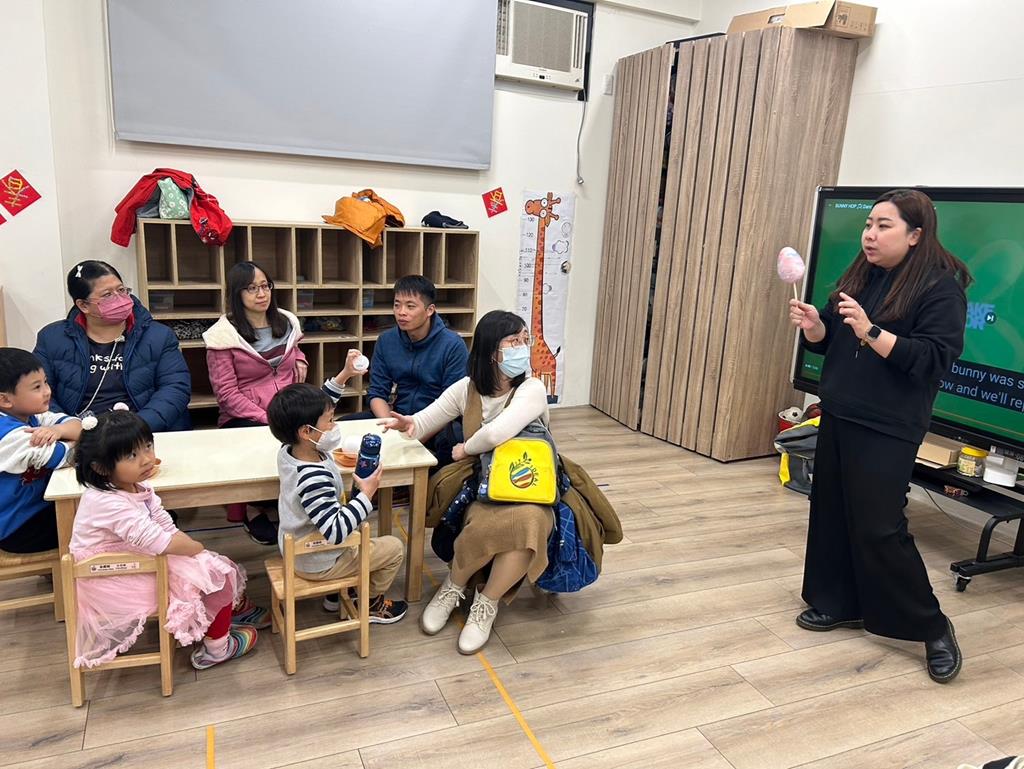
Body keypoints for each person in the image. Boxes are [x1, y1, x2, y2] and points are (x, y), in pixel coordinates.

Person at [788, 188, 972, 684]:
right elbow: (833, 339)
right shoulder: (862, 275)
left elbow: (931, 360)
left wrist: (871, 332)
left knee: (880, 528)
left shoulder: (941, 289)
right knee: (831, 512)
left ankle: (932, 626)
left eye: (883, 226)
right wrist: (816, 327)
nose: (869, 235)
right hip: (841, 412)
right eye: (868, 225)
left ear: (915, 235)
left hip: (888, 424)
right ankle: (838, 602)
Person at [381, 310, 552, 654]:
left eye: (525, 340)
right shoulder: (467, 388)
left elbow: (496, 433)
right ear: (491, 351)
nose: (523, 347)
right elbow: (426, 419)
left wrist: (464, 449)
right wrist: (409, 423)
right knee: (484, 521)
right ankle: (454, 586)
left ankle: (486, 604)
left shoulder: (532, 388)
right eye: (514, 341)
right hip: (483, 483)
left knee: (530, 522)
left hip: (532, 482)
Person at [69, 410, 268, 671]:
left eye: (147, 446)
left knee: (212, 565)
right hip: (111, 577)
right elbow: (160, 542)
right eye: (132, 455)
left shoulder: (136, 486)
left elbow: (164, 525)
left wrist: (196, 552)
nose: (146, 459)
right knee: (214, 576)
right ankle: (217, 649)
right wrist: (196, 549)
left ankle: (232, 609)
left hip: (136, 559)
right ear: (101, 467)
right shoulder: (106, 501)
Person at [267, 383, 408, 623]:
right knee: (394, 548)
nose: (334, 426)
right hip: (318, 560)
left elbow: (317, 407)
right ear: (306, 431)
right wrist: (367, 494)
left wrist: (344, 376)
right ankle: (370, 604)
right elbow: (336, 532)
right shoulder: (313, 478)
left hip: (300, 547)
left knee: (357, 529)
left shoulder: (288, 450)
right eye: (330, 421)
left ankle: (337, 593)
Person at [203, 261, 308, 544]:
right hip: (245, 414)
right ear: (237, 293)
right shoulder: (222, 336)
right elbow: (226, 394)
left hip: (287, 405)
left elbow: (294, 351)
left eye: (265, 286)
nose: (261, 294)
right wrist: (267, 418)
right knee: (259, 440)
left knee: (314, 434)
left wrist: (300, 359)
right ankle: (251, 506)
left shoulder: (286, 322)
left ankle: (294, 500)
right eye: (251, 288)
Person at [34, 260, 191, 432]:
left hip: (143, 431)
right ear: (83, 305)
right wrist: (68, 428)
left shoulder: (159, 336)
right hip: (79, 433)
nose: (119, 298)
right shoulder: (52, 338)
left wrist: (137, 428)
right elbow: (38, 393)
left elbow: (175, 388)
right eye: (107, 295)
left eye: (121, 290)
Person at [341, 275, 468, 471]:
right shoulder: (386, 341)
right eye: (397, 305)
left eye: (410, 306)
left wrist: (413, 433)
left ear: (430, 310)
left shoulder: (453, 345)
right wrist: (390, 426)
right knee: (342, 426)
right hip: (397, 417)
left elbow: (451, 405)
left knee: (450, 442)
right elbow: (377, 392)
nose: (401, 312)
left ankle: (429, 488)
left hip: (438, 422)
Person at [0, 348, 83, 553]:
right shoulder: (9, 435)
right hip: (17, 528)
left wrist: (58, 431)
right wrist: (77, 441)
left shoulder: (32, 415)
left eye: (45, 382)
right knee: (102, 520)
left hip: (40, 508)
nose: (47, 391)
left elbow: (80, 426)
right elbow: (66, 457)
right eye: (37, 387)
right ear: (5, 400)